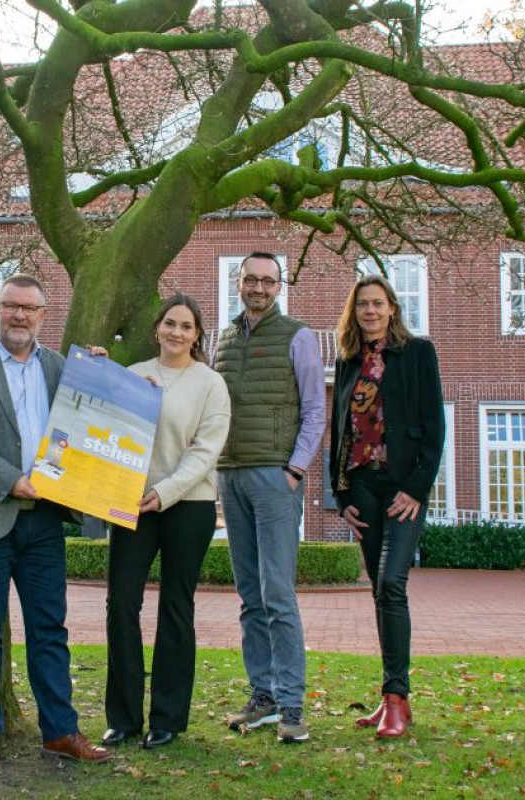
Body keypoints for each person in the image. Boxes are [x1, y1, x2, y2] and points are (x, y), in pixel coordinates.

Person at [0, 273, 112, 773]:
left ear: (42, 315)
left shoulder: (60, 368)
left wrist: (98, 374)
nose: (19, 315)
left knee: (49, 629)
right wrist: (10, 480)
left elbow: (91, 422)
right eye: (10, 306)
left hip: (44, 522)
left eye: (29, 308)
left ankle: (59, 731)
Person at [101, 294, 231, 750]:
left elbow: (206, 450)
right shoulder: (133, 374)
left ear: (196, 336)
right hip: (133, 505)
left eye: (186, 326)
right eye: (170, 323)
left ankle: (168, 719)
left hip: (188, 505)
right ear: (157, 328)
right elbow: (105, 426)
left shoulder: (211, 384)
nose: (177, 332)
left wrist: (167, 491)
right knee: (121, 605)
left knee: (176, 607)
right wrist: (98, 371)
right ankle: (123, 718)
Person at [213, 251, 325, 743]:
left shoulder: (298, 336)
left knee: (278, 594)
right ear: (239, 283)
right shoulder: (223, 339)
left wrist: (295, 469)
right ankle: (263, 696)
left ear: (279, 287)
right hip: (231, 476)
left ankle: (292, 704)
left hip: (275, 478)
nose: (258, 287)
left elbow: (315, 408)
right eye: (250, 279)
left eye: (268, 280)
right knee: (250, 596)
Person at [329, 274, 444, 738]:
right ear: (354, 312)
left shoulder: (418, 353)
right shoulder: (348, 361)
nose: (370, 311)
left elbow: (434, 427)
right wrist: (340, 497)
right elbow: (339, 430)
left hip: (403, 487)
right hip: (362, 486)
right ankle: (392, 699)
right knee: (379, 588)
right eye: (363, 305)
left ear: (392, 308)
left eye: (378, 303)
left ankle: (397, 697)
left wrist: (417, 487)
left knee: (392, 581)